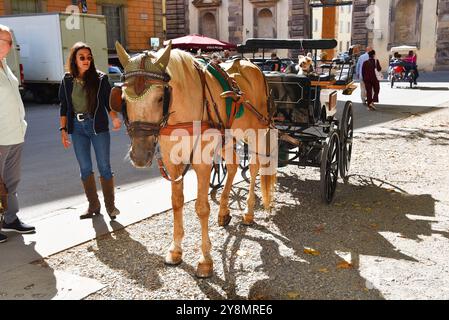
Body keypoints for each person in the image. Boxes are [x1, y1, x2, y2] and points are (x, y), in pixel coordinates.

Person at [59, 42, 122, 220]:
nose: (86, 60)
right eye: (82, 57)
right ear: (75, 60)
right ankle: (93, 206)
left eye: (88, 57)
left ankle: (111, 207)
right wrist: (63, 129)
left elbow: (107, 102)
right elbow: (64, 106)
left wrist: (115, 118)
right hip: (76, 128)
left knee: (104, 167)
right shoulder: (67, 80)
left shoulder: (100, 78)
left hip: (97, 126)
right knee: (85, 168)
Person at [0, 24, 35, 243]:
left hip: (14, 134)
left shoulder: (5, 65)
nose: (10, 46)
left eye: (10, 42)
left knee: (12, 181)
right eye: (6, 41)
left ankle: (10, 219)